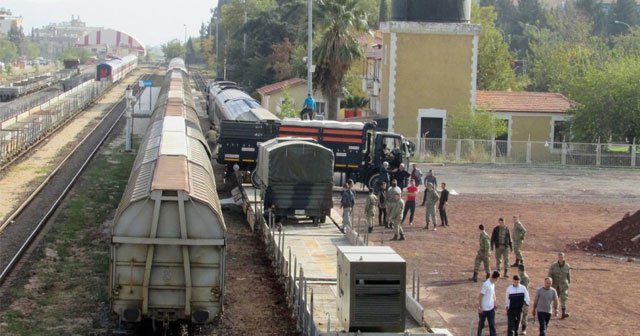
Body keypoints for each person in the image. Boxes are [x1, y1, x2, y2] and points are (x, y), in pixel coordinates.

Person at [548, 252, 571, 319]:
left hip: (563, 285)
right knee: (555, 298)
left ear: (564, 258)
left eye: (562, 257)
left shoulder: (567, 266)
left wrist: (568, 283)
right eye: (559, 257)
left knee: (564, 298)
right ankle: (555, 310)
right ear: (558, 258)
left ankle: (563, 313)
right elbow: (550, 275)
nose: (560, 259)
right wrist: (549, 283)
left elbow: (569, 276)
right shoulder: (553, 266)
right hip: (555, 285)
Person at [477, 271, 501, 336]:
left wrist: (495, 302)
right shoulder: (486, 284)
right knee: (481, 325)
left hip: (491, 308)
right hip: (484, 309)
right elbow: (480, 297)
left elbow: (493, 294)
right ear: (496, 278)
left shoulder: (493, 284)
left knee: (492, 325)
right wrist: (481, 308)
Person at [518, 264, 531, 335]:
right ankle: (518, 327)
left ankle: (523, 329)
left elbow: (524, 288)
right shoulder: (520, 276)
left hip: (524, 299)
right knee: (519, 314)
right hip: (520, 298)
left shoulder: (524, 277)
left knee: (524, 314)